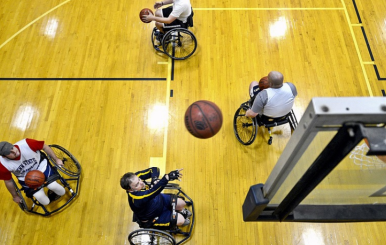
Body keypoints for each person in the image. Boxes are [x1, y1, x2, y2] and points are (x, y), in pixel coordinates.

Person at [0, 139, 66, 205]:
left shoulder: (26, 143)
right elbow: (8, 181)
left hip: (41, 167)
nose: (14, 151)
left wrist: (56, 159)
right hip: (25, 177)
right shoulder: (2, 164)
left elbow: (45, 147)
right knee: (44, 201)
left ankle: (54, 191)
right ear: (4, 156)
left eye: (12, 148)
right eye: (9, 153)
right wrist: (15, 196)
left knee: (56, 188)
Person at [120, 167, 192, 228]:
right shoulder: (137, 198)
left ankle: (179, 211)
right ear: (130, 190)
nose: (141, 182)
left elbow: (154, 169)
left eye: (139, 179)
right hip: (154, 216)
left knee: (182, 203)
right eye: (137, 185)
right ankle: (178, 217)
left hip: (159, 200)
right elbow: (153, 191)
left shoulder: (134, 178)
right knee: (181, 221)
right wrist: (167, 177)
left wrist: (154, 179)